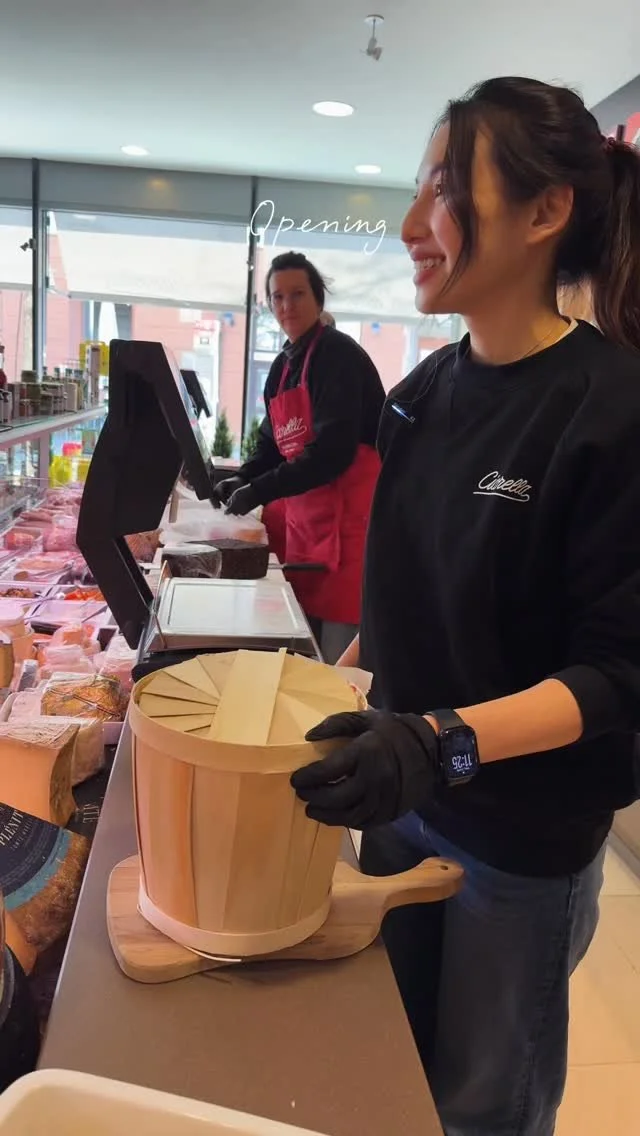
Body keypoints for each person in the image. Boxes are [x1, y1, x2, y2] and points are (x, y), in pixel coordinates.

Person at [290, 77, 640, 1135]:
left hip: (519, 842)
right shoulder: (418, 398)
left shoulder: (610, 409)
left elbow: (616, 677)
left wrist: (438, 738)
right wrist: (319, 695)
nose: (411, 224)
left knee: (482, 1111)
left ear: (545, 212)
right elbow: (405, 608)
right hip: (405, 808)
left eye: (444, 190)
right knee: (392, 1078)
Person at [215, 251, 385, 664]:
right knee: (302, 653)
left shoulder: (339, 356)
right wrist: (243, 478)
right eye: (278, 297)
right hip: (307, 530)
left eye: (298, 294)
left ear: (318, 298)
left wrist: (259, 490)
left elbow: (332, 453)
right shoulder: (282, 366)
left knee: (338, 668)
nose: (287, 305)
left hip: (351, 532)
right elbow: (271, 444)